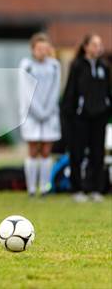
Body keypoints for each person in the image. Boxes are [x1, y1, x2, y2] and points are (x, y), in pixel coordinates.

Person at [61, 34, 111, 203]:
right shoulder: (77, 66)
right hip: (81, 118)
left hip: (100, 117)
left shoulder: (104, 66)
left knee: (97, 154)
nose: (98, 47)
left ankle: (95, 189)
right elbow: (70, 92)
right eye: (95, 44)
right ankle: (77, 189)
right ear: (86, 47)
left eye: (100, 44)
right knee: (77, 153)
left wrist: (106, 108)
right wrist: (70, 114)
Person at [18, 33, 61, 197]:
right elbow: (26, 91)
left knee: (45, 151)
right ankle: (30, 188)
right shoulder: (26, 65)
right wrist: (38, 111)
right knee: (32, 150)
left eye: (45, 48)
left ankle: (44, 187)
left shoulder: (55, 66)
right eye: (39, 49)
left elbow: (55, 90)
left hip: (50, 114)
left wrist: (47, 111)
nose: (42, 52)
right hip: (31, 114)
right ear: (33, 49)